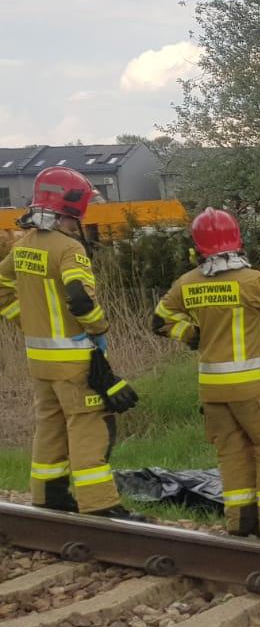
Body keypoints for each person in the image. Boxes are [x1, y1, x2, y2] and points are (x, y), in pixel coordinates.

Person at [153, 207, 260, 541]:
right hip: (253, 387)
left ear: (197, 247)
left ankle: (240, 522)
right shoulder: (253, 281)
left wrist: (190, 334)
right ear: (237, 242)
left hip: (212, 389)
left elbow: (158, 320)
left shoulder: (187, 283)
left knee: (231, 452)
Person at [0, 167, 144, 519]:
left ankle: (48, 495)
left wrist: (25, 320)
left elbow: (2, 288)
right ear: (74, 206)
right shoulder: (69, 248)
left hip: (39, 359)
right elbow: (79, 297)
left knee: (49, 424)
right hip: (72, 359)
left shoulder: (24, 246)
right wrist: (98, 327)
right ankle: (100, 504)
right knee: (88, 426)